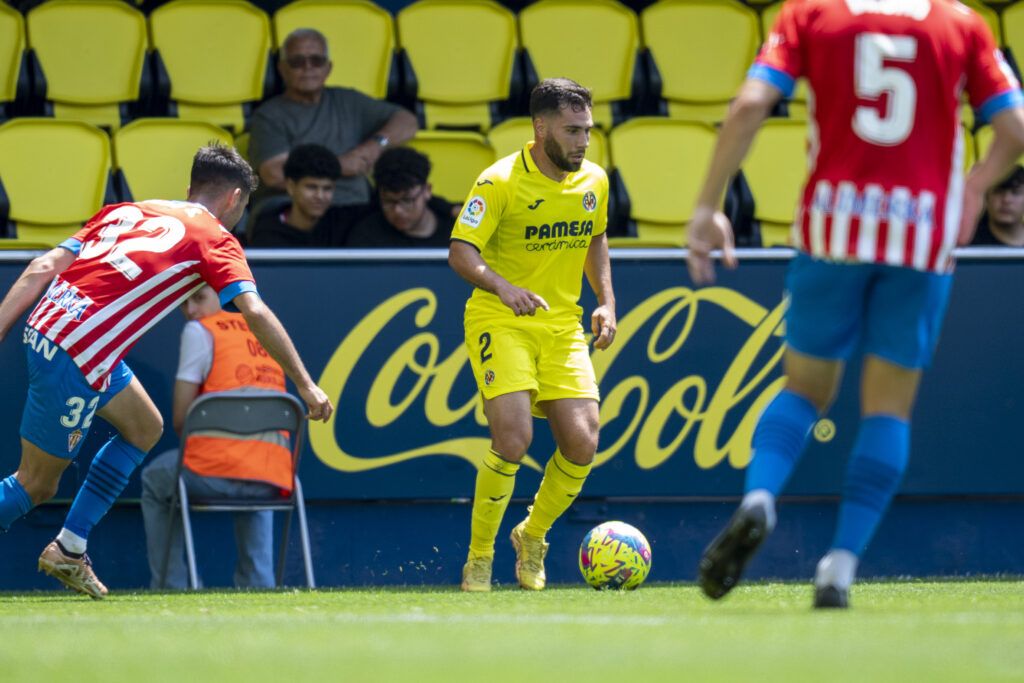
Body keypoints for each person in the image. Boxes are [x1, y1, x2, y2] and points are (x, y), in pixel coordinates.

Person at [686, 0, 1024, 609]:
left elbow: (750, 106)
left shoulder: (811, 14)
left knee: (804, 390)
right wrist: (974, 186)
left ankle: (759, 498)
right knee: (886, 412)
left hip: (832, 228)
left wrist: (709, 206)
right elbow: (1015, 128)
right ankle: (839, 569)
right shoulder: (962, 23)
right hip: (921, 237)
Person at [0, 144, 333, 599]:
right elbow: (252, 310)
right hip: (78, 350)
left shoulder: (126, 210)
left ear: (189, 187)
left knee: (144, 427)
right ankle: (67, 547)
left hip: (52, 328)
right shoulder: (216, 238)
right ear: (234, 199)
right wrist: (305, 383)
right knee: (36, 483)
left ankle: (70, 548)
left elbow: (43, 266)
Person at [448, 78, 617, 592]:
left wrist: (606, 301)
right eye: (571, 131)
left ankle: (532, 535)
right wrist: (502, 287)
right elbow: (461, 252)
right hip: (502, 318)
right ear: (540, 127)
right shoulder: (498, 182)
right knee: (514, 438)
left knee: (583, 441)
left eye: (587, 131)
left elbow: (595, 238)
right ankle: (479, 558)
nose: (582, 142)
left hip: (562, 325)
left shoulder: (594, 181)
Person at [141, 285, 290, 590]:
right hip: (275, 477)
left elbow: (182, 418)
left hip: (212, 472)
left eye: (199, 298)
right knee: (257, 467)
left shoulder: (200, 331)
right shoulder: (263, 330)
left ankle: (172, 586)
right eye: (183, 303)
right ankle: (260, 584)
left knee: (154, 479)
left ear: (223, 296)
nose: (191, 310)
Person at [248, 28, 418, 210]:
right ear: (282, 68)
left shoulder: (349, 100)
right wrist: (341, 165)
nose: (308, 68)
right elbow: (275, 174)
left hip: (355, 209)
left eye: (316, 61)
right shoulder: (268, 115)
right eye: (297, 62)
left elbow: (407, 121)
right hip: (293, 210)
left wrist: (374, 146)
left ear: (328, 68)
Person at [344, 147, 459, 248]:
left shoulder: (459, 233)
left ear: (427, 190)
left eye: (407, 200)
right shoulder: (366, 236)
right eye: (388, 201)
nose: (397, 210)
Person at [248, 143, 357, 247]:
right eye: (311, 187)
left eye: (327, 188)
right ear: (291, 186)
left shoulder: (342, 222)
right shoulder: (267, 235)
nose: (320, 196)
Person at [971, 164, 1024, 246]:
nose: (1006, 200)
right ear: (986, 197)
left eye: (1015, 192)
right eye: (998, 191)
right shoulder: (967, 242)